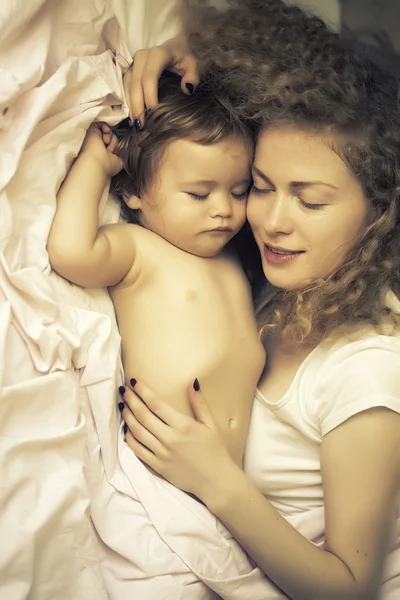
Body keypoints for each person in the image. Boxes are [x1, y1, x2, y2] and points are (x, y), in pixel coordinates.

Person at [119, 1, 400, 599]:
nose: (271, 221)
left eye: (311, 201)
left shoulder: (367, 367)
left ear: (379, 213)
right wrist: (189, 69)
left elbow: (350, 589)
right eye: (262, 188)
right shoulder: (278, 284)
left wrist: (217, 480)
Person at [47, 72, 265, 470]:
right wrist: (96, 166)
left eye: (239, 191)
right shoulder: (139, 249)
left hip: (227, 479)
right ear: (134, 192)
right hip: (163, 467)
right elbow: (70, 252)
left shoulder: (233, 255)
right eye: (199, 194)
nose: (224, 209)